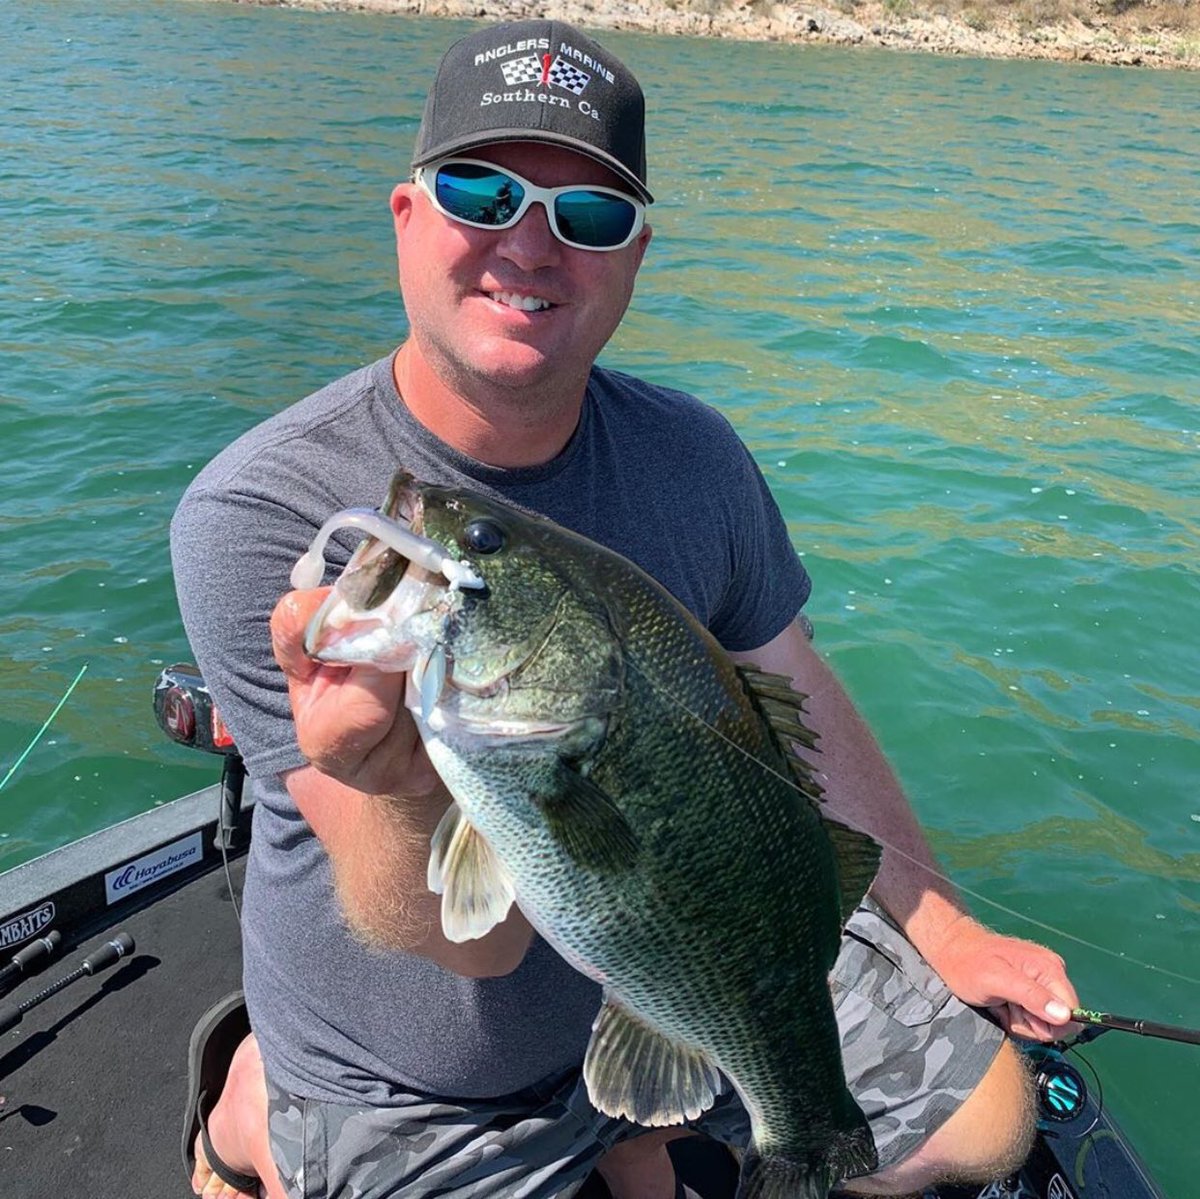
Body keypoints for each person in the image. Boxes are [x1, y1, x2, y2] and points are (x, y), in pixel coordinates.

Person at [171, 18, 1079, 1199]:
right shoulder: (255, 510)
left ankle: (639, 1123)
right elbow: (473, 936)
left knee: (993, 1127)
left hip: (671, 974)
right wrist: (401, 787)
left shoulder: (694, 454)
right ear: (406, 219)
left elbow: (797, 690)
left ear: (634, 255)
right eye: (481, 193)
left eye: (587, 216)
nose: (529, 246)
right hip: (427, 1074)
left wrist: (947, 927)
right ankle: (252, 1114)